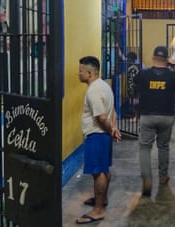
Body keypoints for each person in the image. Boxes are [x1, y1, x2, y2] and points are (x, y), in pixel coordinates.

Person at [76, 56, 122, 224]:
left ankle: (98, 210)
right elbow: (113, 111)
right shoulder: (104, 86)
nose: (78, 74)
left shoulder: (94, 91)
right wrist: (114, 129)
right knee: (104, 169)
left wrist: (111, 130)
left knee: (98, 173)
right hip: (104, 135)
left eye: (80, 71)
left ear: (89, 73)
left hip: (97, 135)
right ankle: (102, 200)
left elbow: (102, 118)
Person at [134, 45, 175, 196]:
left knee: (144, 148)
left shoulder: (143, 74)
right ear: (167, 59)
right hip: (166, 116)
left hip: (147, 116)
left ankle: (147, 178)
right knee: (163, 146)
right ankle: (163, 176)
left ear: (153, 58)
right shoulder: (173, 75)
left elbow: (135, 89)